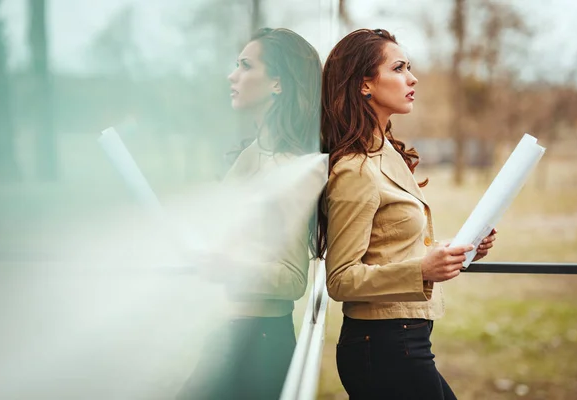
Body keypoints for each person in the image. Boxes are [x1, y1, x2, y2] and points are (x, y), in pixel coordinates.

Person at [316, 28, 497, 399]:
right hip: (382, 347)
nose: (412, 78)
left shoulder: (387, 153)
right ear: (365, 85)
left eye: (409, 67)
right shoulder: (355, 168)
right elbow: (339, 279)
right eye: (398, 68)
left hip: (405, 341)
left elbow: (390, 245)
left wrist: (460, 249)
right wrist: (422, 270)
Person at [176, 27, 324, 400]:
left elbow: (293, 280)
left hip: (260, 345)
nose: (233, 76)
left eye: (246, 66)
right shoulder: (249, 156)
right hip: (229, 336)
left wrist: (227, 266)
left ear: (278, 83)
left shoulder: (294, 168)